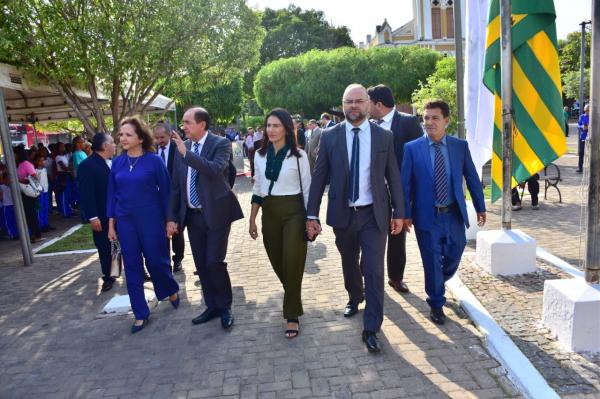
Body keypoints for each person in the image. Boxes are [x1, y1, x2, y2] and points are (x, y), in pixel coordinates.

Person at [306, 84, 405, 353]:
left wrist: (400, 213)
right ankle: (354, 295)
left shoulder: (384, 136)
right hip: (343, 214)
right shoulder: (329, 137)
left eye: (358, 101)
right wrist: (311, 214)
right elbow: (319, 178)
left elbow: (393, 177)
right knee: (349, 261)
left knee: (373, 269)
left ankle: (371, 326)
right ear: (343, 104)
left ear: (368, 104)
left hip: (374, 214)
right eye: (348, 101)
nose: (353, 106)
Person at [401, 100, 486, 325]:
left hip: (453, 214)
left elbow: (472, 177)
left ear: (446, 121)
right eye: (426, 118)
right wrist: (404, 213)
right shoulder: (412, 148)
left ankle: (440, 280)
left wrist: (480, 205)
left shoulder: (460, 147)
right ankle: (436, 303)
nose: (429, 122)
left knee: (455, 252)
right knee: (431, 261)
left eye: (434, 118)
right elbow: (405, 185)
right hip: (426, 217)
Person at [167, 107, 243, 330]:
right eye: (183, 122)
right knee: (201, 264)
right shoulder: (183, 148)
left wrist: (186, 154)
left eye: (188, 122)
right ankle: (212, 306)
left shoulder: (220, 144)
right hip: (193, 217)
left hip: (217, 213)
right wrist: (172, 217)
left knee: (214, 262)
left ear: (202, 124)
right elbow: (176, 186)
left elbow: (214, 169)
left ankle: (225, 306)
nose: (184, 127)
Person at [107, 117, 180, 333]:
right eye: (121, 135)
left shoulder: (154, 161)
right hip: (125, 221)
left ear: (140, 138)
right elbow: (112, 195)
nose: (123, 138)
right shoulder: (118, 162)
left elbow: (166, 193)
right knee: (132, 266)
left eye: (128, 134)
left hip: (150, 219)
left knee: (156, 261)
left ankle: (169, 288)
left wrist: (170, 220)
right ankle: (140, 312)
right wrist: (111, 225)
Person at [249, 108, 311, 338]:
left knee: (292, 261)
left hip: (294, 212)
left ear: (286, 128)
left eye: (276, 125)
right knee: (277, 261)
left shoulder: (299, 156)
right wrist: (253, 219)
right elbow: (257, 188)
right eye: (268, 126)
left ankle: (292, 315)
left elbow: (308, 189)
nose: (271, 130)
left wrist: (311, 219)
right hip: (270, 213)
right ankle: (293, 295)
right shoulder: (259, 154)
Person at [367, 84, 423, 295]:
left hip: (400, 190)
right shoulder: (369, 125)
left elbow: (418, 157)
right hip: (374, 191)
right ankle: (369, 277)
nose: (366, 106)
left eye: (368, 102)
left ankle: (395, 277)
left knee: (398, 236)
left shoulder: (408, 122)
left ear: (378, 104)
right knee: (371, 234)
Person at [78, 133, 117, 291]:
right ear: (104, 146)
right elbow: (86, 194)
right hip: (101, 215)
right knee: (104, 246)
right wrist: (93, 217)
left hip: (119, 213)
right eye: (112, 142)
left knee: (126, 244)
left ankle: (138, 271)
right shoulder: (87, 166)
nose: (115, 145)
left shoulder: (115, 162)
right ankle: (109, 276)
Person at [154, 122, 185, 273]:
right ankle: (165, 259)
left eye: (162, 137)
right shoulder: (151, 151)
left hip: (176, 197)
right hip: (158, 199)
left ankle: (178, 259)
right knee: (161, 230)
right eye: (157, 137)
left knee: (177, 230)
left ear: (170, 135)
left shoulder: (178, 148)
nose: (159, 140)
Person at [15, 145, 42, 242]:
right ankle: (33, 233)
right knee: (28, 214)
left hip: (29, 193)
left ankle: (37, 234)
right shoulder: (20, 164)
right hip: (23, 192)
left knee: (31, 214)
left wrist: (21, 181)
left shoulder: (26, 164)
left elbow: (34, 177)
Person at [54, 142, 73, 218]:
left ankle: (68, 211)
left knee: (67, 194)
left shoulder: (64, 156)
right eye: (62, 147)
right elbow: (64, 167)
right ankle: (65, 213)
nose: (63, 148)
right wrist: (71, 169)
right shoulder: (58, 157)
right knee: (64, 195)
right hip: (62, 176)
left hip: (66, 176)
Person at [34, 153, 51, 232]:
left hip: (46, 191)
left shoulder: (44, 169)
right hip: (39, 192)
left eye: (43, 160)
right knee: (40, 209)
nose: (42, 162)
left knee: (45, 208)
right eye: (40, 161)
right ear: (36, 162)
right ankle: (40, 225)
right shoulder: (35, 171)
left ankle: (46, 224)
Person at [576, 104, 589, 173]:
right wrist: (582, 127)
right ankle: (580, 167)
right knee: (581, 153)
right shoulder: (582, 116)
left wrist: (589, 127)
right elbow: (578, 125)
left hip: (590, 138)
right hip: (583, 137)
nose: (587, 112)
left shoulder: (593, 116)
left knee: (590, 153)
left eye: (588, 110)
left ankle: (591, 168)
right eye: (586, 110)